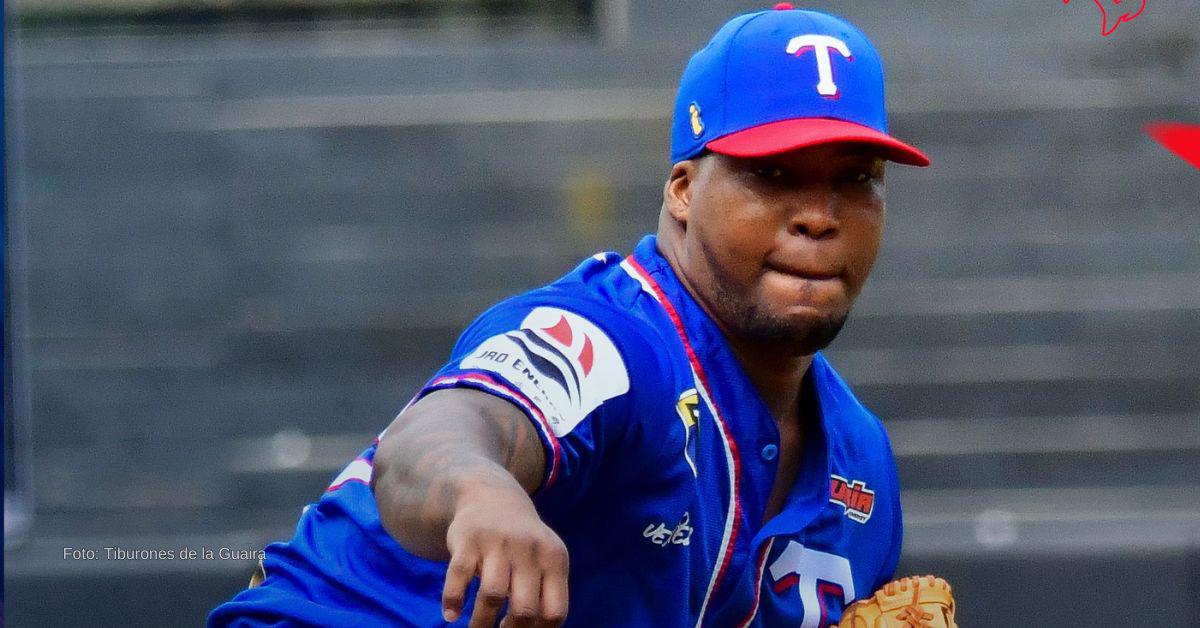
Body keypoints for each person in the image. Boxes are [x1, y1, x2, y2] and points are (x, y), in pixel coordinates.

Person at [209, 4, 931, 627]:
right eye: (771, 175)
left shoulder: (860, 462)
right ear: (683, 189)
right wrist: (481, 492)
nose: (817, 216)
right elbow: (438, 435)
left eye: (855, 179)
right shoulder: (612, 341)